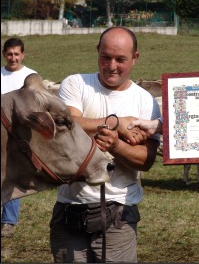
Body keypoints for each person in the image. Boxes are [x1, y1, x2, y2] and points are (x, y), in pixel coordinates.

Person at [49, 26, 161, 263]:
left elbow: (146, 160)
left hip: (118, 212)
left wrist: (115, 146)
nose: (111, 66)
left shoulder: (145, 101)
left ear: (135, 58)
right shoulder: (75, 83)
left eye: (120, 59)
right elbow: (67, 124)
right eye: (105, 57)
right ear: (97, 51)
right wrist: (117, 124)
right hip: (70, 206)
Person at [1, 37, 37, 238]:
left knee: (11, 176)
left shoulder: (30, 77)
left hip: (17, 135)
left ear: (23, 54)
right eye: (9, 54)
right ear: (4, 54)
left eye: (16, 54)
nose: (13, 58)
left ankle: (8, 221)